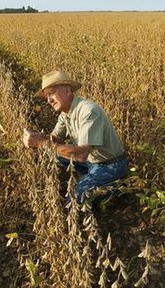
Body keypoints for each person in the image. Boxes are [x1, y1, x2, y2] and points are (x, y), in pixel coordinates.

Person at [22, 70, 128, 205]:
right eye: (46, 96)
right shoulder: (65, 113)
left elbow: (81, 154)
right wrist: (37, 138)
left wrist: (41, 143)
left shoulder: (88, 111)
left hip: (111, 165)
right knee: (53, 155)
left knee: (72, 204)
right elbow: (54, 139)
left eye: (51, 93)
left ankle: (114, 188)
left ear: (67, 90)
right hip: (91, 161)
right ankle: (89, 180)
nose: (49, 100)